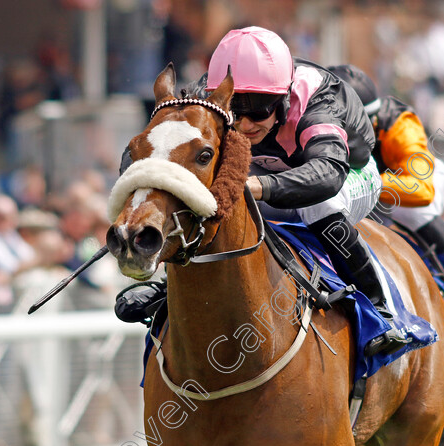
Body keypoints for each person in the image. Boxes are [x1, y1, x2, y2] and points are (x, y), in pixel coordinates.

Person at [116, 27, 405, 351]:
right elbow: (152, 146)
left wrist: (255, 185)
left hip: (347, 171)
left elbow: (327, 175)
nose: (246, 123)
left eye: (259, 108)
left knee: (319, 206)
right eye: (236, 111)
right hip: (270, 165)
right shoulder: (205, 95)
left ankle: (382, 310)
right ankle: (167, 288)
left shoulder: (318, 99)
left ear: (284, 96)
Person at [327, 64, 444, 337]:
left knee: (414, 212)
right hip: (365, 188)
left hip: (413, 183)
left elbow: (421, 189)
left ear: (367, 121)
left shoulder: (400, 125)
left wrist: (368, 183)